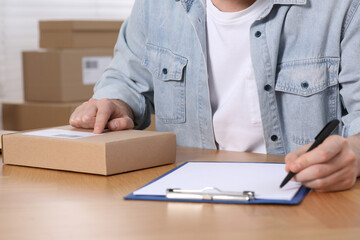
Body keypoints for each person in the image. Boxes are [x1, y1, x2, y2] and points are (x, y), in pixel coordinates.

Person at [70, 0, 360, 192]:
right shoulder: (155, 6)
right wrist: (116, 103)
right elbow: (126, 78)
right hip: (185, 199)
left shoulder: (344, 7)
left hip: (303, 199)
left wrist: (354, 156)